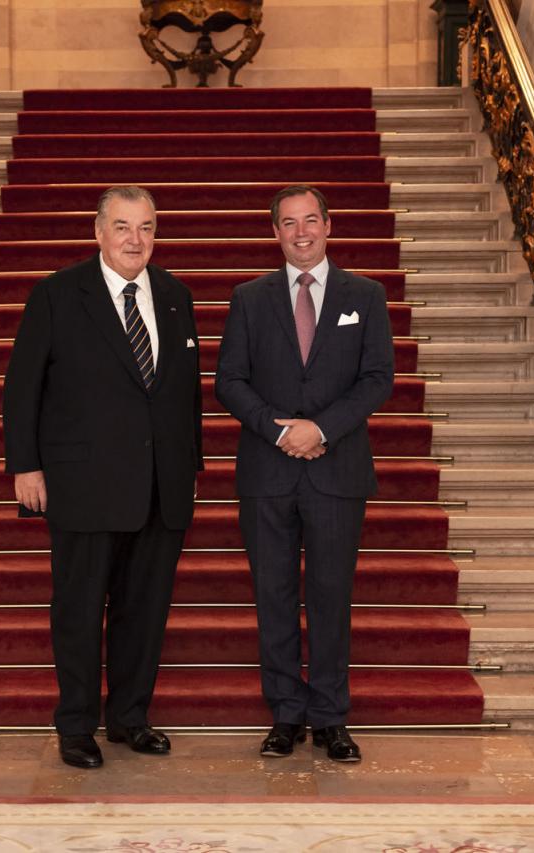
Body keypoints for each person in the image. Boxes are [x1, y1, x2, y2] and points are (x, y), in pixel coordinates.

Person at [3, 185, 202, 769]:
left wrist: (189, 465)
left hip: (161, 488)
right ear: (97, 231)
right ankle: (76, 726)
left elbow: (184, 392)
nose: (134, 240)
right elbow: (22, 388)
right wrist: (25, 465)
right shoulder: (59, 295)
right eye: (122, 227)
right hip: (82, 485)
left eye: (145, 228)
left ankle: (130, 718)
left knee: (145, 612)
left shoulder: (174, 295)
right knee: (81, 610)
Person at [215, 185, 394, 763]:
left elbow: (377, 379)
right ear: (274, 232)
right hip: (267, 471)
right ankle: (285, 715)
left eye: (310, 220)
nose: (301, 231)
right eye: (288, 223)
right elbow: (229, 381)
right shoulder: (249, 298)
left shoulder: (364, 295)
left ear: (328, 225)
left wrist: (320, 429)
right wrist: (277, 429)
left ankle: (330, 717)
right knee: (272, 596)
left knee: (331, 596)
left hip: (337, 470)